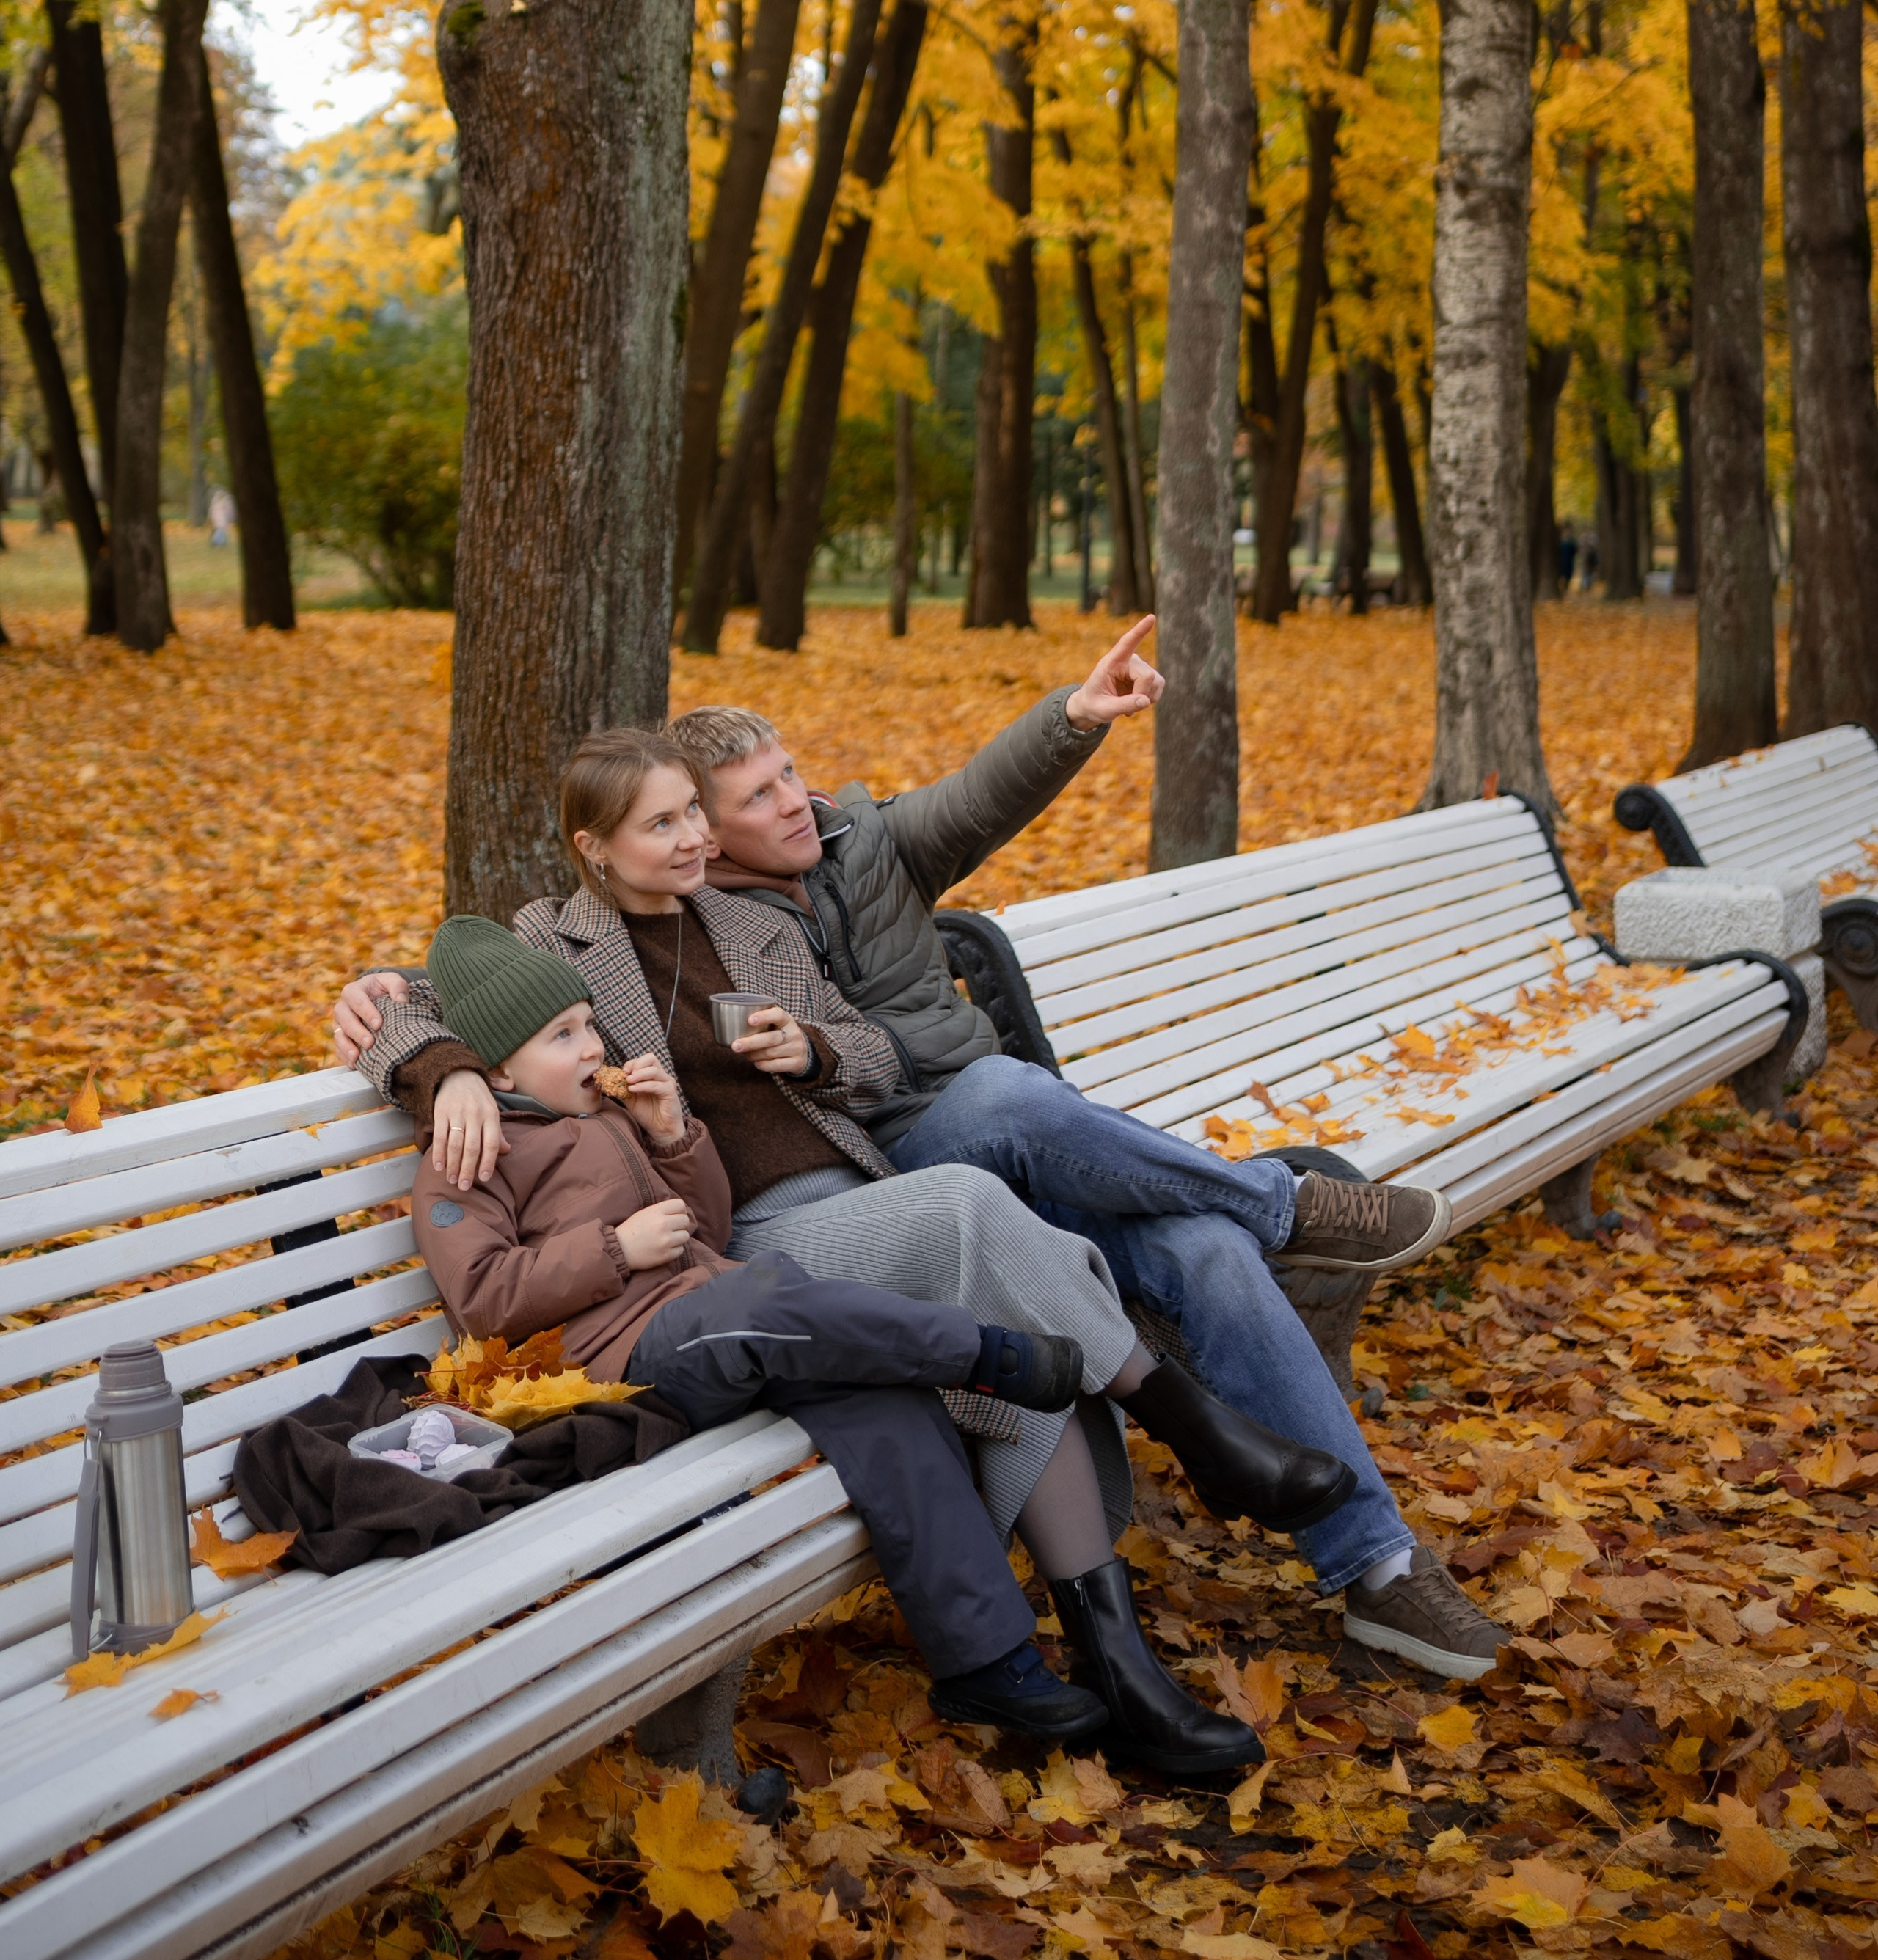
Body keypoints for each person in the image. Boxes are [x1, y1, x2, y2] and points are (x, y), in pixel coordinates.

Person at [335, 659, 1506, 1685]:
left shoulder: (758, 927)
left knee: (1197, 1248)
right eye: (687, 816)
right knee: (986, 1165)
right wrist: (441, 1070)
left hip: (892, 1172)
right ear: (598, 846)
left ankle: (1378, 1563)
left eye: (709, 810)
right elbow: (429, 990)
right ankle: (1210, 1381)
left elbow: (872, 1039)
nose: (708, 833)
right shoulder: (554, 940)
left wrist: (818, 1047)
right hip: (752, 1229)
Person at [411, 910, 1116, 1748]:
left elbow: (704, 1231)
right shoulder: (469, 1153)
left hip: (712, 1317)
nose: (593, 1045)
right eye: (564, 1035)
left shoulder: (607, 1118)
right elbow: (483, 1297)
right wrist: (612, 1249)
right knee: (766, 1304)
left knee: (883, 1399)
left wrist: (673, 1140)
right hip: (614, 1361)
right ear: (496, 1068)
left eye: (589, 1023)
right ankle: (983, 1354)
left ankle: (989, 1666)